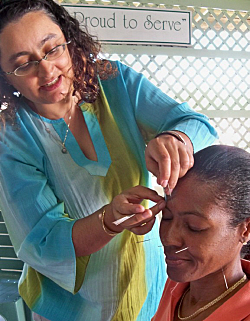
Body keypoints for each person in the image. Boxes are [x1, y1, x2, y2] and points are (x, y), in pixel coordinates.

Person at [0, 0, 217, 320]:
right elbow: (43, 242)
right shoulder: (11, 139)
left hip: (151, 286)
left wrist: (175, 140)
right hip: (74, 309)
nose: (47, 70)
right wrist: (108, 220)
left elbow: (198, 125)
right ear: (6, 78)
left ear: (69, 40)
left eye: (52, 49)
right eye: (23, 64)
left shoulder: (114, 81)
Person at [152, 145, 250, 321]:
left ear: (245, 230)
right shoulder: (178, 283)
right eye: (166, 217)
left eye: (194, 226)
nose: (168, 238)